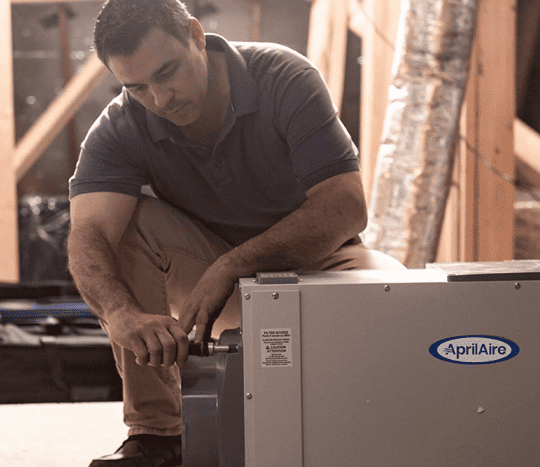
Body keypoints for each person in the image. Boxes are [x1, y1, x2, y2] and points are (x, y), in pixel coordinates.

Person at [68, 0, 405, 465]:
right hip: (208, 286)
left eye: (167, 72)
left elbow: (346, 207)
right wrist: (119, 312)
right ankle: (158, 438)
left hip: (318, 268)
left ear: (195, 35)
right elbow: (89, 237)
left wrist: (234, 264)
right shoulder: (121, 126)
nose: (160, 99)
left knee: (402, 299)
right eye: (138, 86)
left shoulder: (285, 77)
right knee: (119, 230)